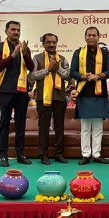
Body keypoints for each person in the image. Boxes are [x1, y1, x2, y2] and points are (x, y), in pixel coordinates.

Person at [0, 20, 35, 167]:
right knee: (5, 124)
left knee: (21, 124)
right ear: (6, 31)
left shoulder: (24, 47)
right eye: (13, 29)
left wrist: (26, 54)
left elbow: (31, 67)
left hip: (22, 91)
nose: (16, 32)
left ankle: (20, 154)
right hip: (6, 91)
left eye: (18, 30)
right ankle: (3, 156)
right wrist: (13, 55)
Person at [69, 26, 109, 165]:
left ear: (99, 37)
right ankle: (86, 154)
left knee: (98, 127)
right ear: (85, 37)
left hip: (100, 94)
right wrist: (85, 77)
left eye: (94, 35)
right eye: (89, 35)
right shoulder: (78, 53)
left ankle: (97, 154)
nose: (91, 37)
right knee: (86, 127)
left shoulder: (105, 53)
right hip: (84, 93)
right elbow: (73, 72)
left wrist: (97, 76)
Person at [28, 33, 71, 165]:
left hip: (60, 97)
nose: (51, 45)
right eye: (48, 42)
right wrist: (47, 69)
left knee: (59, 126)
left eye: (54, 42)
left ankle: (58, 153)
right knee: (44, 126)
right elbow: (32, 76)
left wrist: (57, 69)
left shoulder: (62, 59)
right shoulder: (37, 58)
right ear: (43, 44)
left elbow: (68, 76)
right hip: (42, 97)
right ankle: (43, 154)